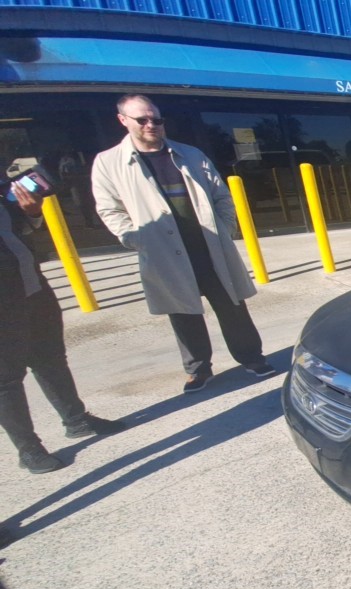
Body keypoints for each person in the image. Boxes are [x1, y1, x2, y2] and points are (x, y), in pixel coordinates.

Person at [92, 94, 274, 394]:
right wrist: (137, 239)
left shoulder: (190, 154)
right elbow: (109, 209)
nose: (151, 124)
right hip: (164, 253)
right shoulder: (108, 163)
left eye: (156, 119)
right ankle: (198, 369)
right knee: (183, 313)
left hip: (208, 247)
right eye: (143, 119)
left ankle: (252, 358)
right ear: (123, 120)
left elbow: (221, 196)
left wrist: (225, 229)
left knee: (232, 306)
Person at [1, 166, 125, 474]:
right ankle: (28, 449)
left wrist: (32, 213)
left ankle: (76, 419)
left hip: (31, 285)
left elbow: (21, 229)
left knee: (50, 357)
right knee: (6, 378)